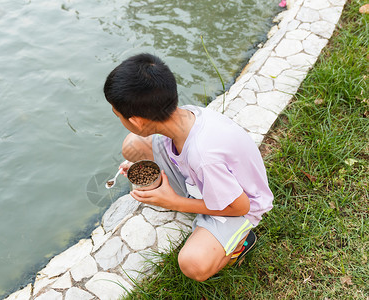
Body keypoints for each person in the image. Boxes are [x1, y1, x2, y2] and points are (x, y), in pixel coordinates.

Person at [103, 53, 273, 282]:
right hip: (205, 180)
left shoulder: (203, 156)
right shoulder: (183, 114)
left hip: (241, 205)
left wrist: (172, 202)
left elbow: (240, 206)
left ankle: (241, 243)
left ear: (137, 121)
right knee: (133, 146)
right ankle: (178, 192)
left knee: (193, 264)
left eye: (118, 115)